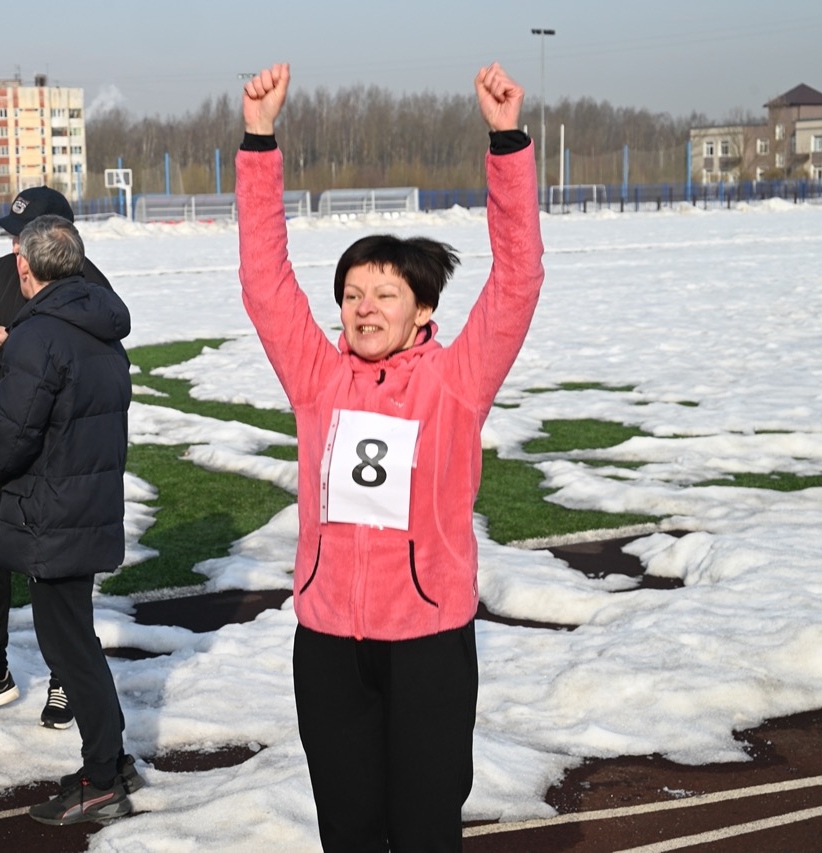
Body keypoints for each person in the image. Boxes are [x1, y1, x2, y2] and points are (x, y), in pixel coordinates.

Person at [237, 62, 544, 851]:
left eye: (385, 295)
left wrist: (506, 142)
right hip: (330, 642)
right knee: (347, 826)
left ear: (424, 310)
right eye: (351, 295)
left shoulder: (455, 381)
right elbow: (265, 281)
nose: (364, 308)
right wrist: (259, 140)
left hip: (429, 643)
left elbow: (517, 281)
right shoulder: (316, 377)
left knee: (424, 826)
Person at [0, 214, 140, 825]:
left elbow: (17, 428)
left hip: (53, 510)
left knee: (69, 645)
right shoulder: (99, 328)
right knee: (76, 637)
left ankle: (103, 774)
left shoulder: (40, 335)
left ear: (25, 270)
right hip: (86, 502)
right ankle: (112, 759)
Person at [0, 187, 111, 729]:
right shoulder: (1, 271)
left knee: (55, 571)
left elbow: (76, 361)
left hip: (50, 456)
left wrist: (9, 345)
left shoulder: (88, 287)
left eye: (20, 235)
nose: (12, 245)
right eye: (11, 235)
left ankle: (65, 676)